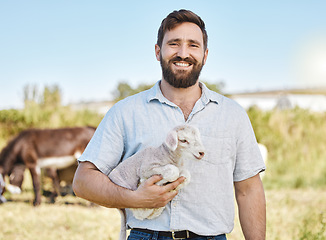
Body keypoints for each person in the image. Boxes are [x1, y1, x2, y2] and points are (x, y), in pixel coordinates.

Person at [73, 9, 266, 240]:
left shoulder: (232, 115)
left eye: (193, 45)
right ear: (158, 51)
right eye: (174, 43)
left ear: (205, 55)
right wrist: (134, 199)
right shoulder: (125, 112)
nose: (183, 53)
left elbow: (248, 191)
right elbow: (83, 181)